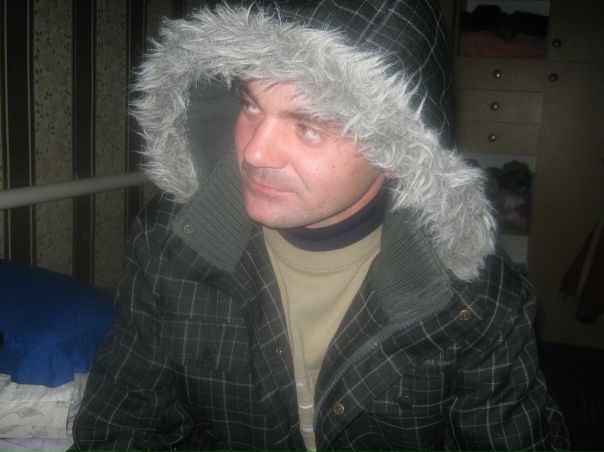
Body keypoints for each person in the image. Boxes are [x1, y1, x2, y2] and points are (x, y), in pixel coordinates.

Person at [71, 1, 569, 451]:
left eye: (308, 127)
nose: (254, 152)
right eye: (250, 105)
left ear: (399, 149)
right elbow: (121, 428)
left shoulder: (475, 299)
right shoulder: (169, 243)